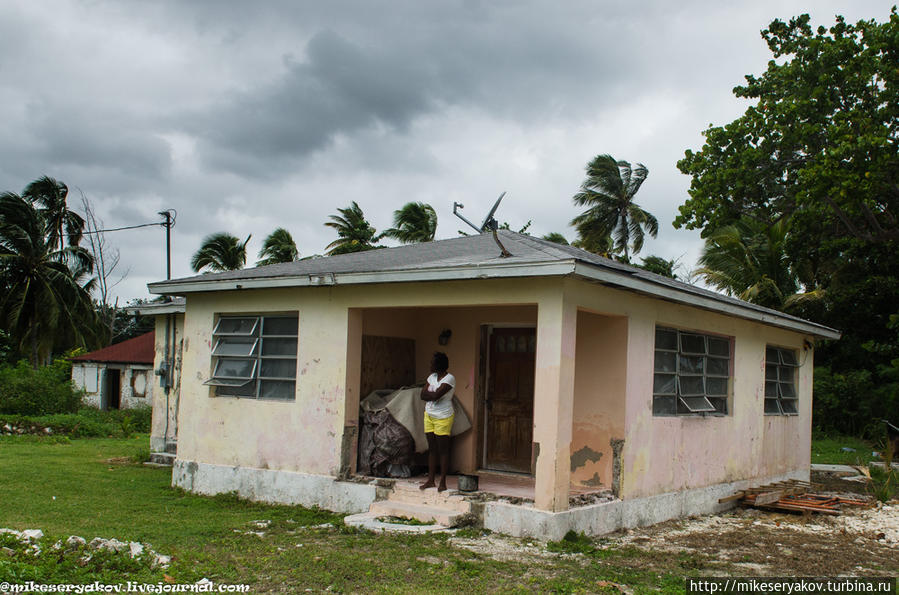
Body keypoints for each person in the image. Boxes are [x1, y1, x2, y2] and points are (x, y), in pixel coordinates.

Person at [419, 351, 455, 492]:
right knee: (432, 449)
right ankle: (430, 480)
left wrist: (431, 394)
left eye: (432, 363)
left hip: (443, 417)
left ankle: (443, 482)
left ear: (438, 365)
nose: (430, 365)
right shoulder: (432, 377)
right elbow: (423, 394)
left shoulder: (449, 378)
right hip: (429, 415)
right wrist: (431, 395)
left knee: (443, 450)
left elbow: (436, 395)